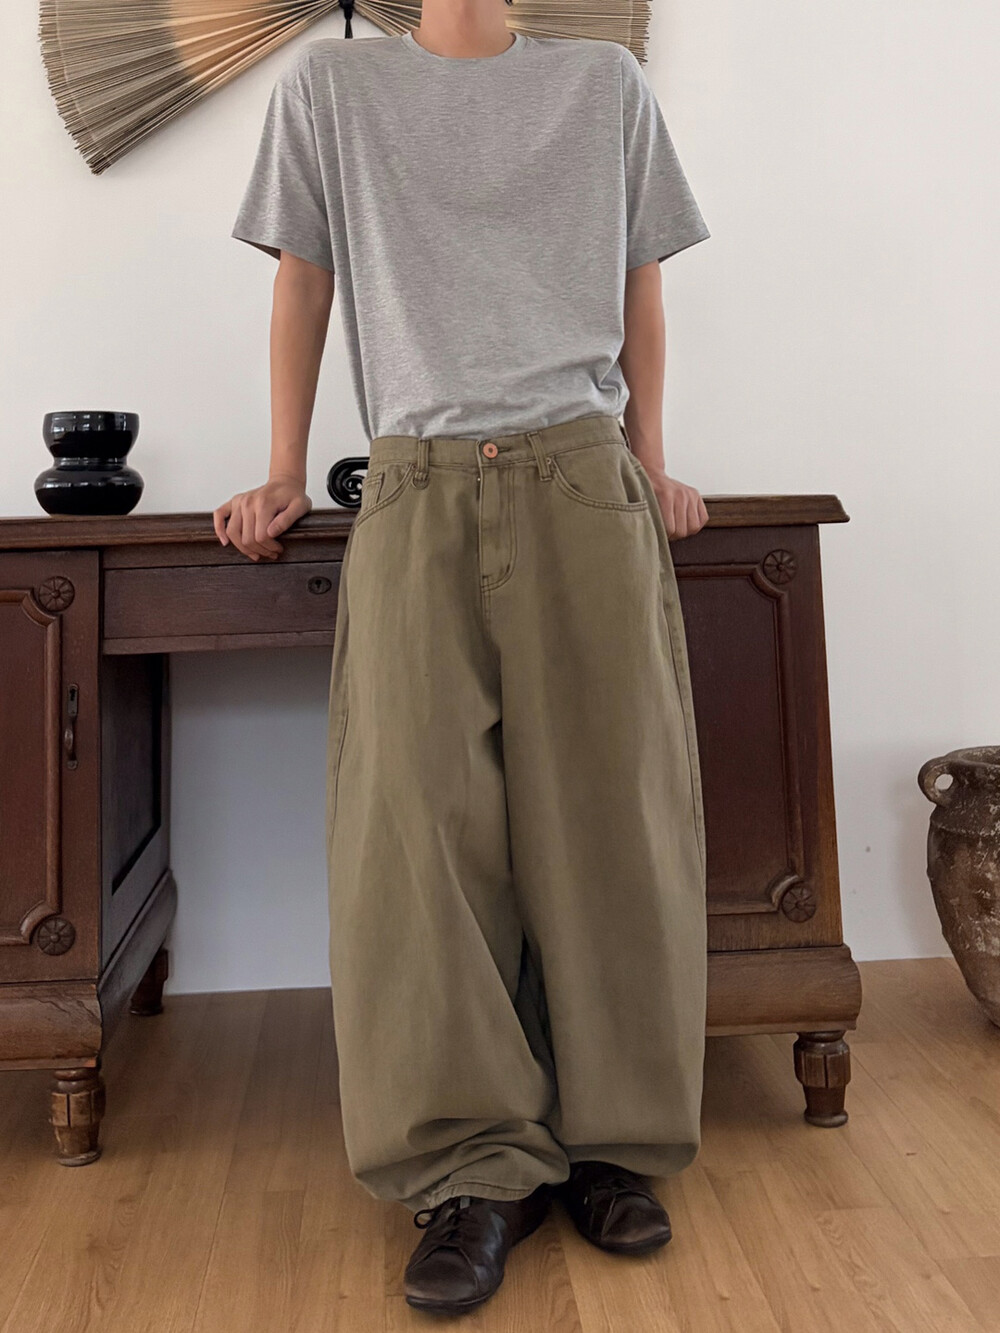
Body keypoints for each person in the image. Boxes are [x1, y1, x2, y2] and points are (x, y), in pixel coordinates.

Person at [215, 0, 711, 1315]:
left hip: (581, 472)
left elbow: (640, 283)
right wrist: (281, 467)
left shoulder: (605, 87)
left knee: (612, 822)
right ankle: (473, 1168)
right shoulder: (329, 91)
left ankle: (612, 1143)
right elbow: (303, 278)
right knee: (415, 836)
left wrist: (653, 461)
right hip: (414, 481)